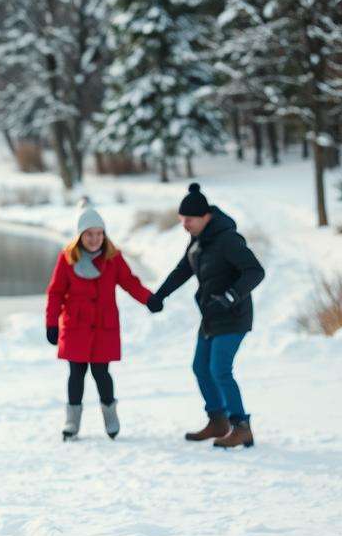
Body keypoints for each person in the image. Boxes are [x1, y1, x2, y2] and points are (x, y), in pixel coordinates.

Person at [147, 183, 265, 448]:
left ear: (205, 217)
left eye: (188, 219)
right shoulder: (200, 240)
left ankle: (241, 426)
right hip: (211, 315)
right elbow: (182, 270)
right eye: (181, 219)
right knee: (201, 367)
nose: (184, 224)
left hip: (233, 315)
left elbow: (255, 271)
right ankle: (218, 421)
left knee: (219, 370)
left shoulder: (228, 239)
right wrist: (159, 295)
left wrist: (232, 296)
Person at [45, 206, 153, 440]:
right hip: (76, 327)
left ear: (104, 235)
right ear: (80, 236)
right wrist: (51, 323)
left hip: (104, 328)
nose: (94, 239)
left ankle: (110, 416)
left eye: (99, 233)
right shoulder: (67, 258)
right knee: (76, 374)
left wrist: (149, 299)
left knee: (102, 374)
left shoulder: (113, 258)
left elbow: (130, 283)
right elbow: (55, 293)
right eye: (89, 234)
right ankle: (71, 422)